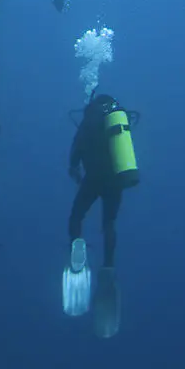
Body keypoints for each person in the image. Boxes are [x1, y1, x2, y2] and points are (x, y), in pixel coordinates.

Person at [62, 92, 140, 333]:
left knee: (77, 216)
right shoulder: (116, 121)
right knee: (109, 223)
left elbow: (75, 153)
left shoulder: (88, 122)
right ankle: (108, 266)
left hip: (92, 179)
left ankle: (77, 243)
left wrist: (74, 168)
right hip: (115, 181)